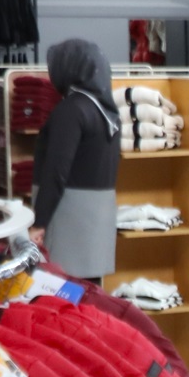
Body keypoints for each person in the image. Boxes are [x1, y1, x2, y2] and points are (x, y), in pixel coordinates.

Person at [32, 38, 121, 280]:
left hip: (67, 216)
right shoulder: (107, 112)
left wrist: (39, 222)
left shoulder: (71, 110)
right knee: (90, 291)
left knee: (62, 289)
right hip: (98, 218)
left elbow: (56, 170)